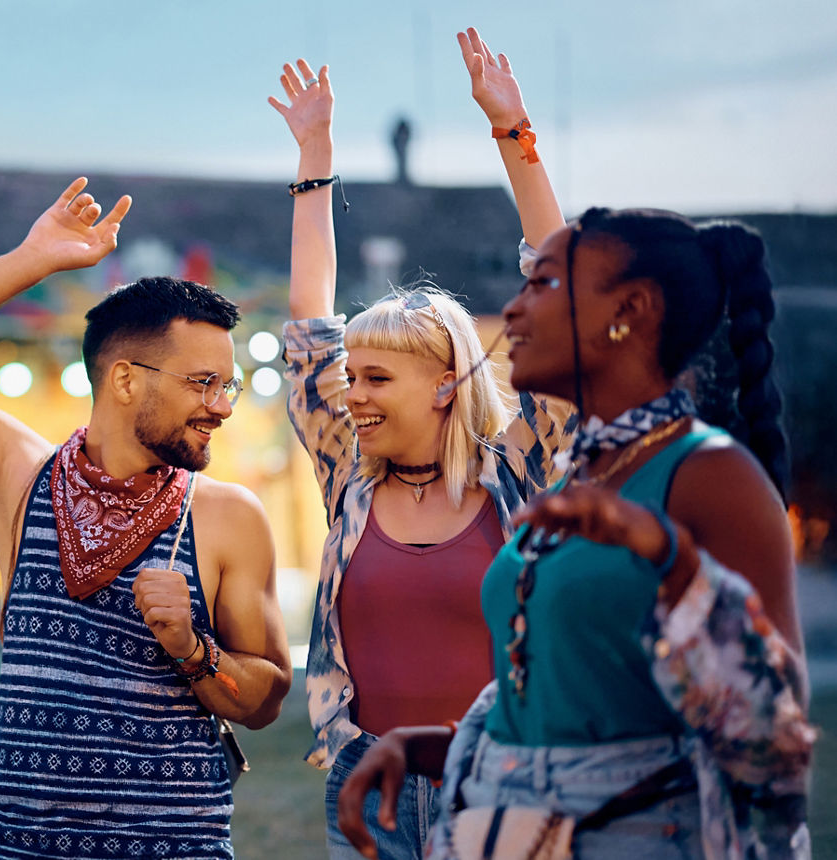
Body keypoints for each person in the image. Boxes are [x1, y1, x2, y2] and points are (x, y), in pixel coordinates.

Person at [338, 211, 815, 857]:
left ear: (630, 310)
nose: (512, 309)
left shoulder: (710, 475)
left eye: (543, 284)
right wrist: (425, 747)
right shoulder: (578, 480)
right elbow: (568, 708)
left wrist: (672, 562)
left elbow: (775, 734)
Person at [0, 178, 292, 859]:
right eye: (202, 383)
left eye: (227, 384)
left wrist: (191, 647)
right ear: (125, 380)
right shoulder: (19, 474)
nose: (223, 406)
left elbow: (266, 700)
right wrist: (33, 258)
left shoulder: (226, 515)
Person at [270, 30, 571, 859]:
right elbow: (306, 325)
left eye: (374, 379)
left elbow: (565, 297)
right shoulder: (349, 478)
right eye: (350, 376)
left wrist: (514, 139)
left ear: (445, 383)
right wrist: (315, 161)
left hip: (508, 783)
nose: (350, 393)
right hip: (372, 787)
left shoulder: (518, 471)